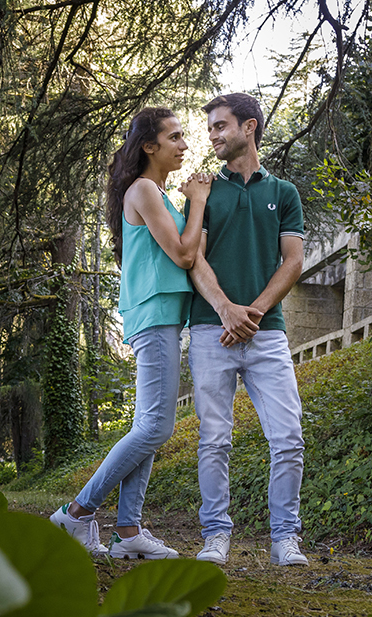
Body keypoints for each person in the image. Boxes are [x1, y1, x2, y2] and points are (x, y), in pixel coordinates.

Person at [50, 107, 211, 559]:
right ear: (149, 146)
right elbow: (182, 254)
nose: (185, 145)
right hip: (154, 313)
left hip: (162, 314)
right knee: (156, 427)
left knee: (150, 426)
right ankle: (77, 513)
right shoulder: (143, 189)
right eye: (175, 137)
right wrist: (197, 200)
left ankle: (127, 530)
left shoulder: (156, 192)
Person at [185, 93, 309, 567]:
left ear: (249, 127)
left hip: (268, 334)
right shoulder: (204, 192)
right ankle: (216, 534)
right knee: (214, 439)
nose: (212, 135)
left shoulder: (284, 193)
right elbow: (192, 258)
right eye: (211, 128)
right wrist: (225, 311)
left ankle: (285, 538)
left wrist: (251, 312)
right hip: (209, 332)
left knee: (289, 437)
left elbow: (293, 260)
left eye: (220, 126)